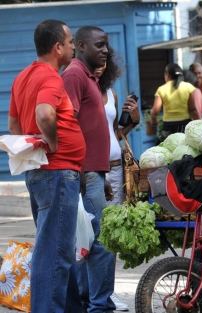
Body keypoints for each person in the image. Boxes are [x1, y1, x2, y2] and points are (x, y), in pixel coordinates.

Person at [8, 19, 86, 312]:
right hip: (56, 172)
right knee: (53, 253)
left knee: (58, 250)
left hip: (42, 172)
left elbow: (14, 124)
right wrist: (51, 144)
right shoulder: (51, 78)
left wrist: (33, 149)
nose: (72, 49)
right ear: (57, 48)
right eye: (69, 43)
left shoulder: (22, 77)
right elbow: (44, 113)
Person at [62, 25, 116, 312]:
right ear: (81, 46)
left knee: (88, 242)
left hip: (95, 173)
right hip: (83, 173)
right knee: (103, 243)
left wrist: (100, 174)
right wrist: (80, 168)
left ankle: (90, 303)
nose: (105, 50)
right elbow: (67, 121)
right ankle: (99, 306)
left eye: (106, 45)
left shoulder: (89, 78)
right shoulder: (73, 74)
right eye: (99, 45)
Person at [93, 46, 140, 312]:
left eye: (105, 61)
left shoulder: (110, 93)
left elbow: (114, 133)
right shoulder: (82, 91)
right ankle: (96, 296)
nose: (100, 65)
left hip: (116, 169)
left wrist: (133, 121)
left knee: (110, 239)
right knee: (94, 237)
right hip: (94, 171)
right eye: (96, 61)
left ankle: (107, 294)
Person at [150, 63, 202, 140]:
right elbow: (193, 109)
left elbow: (156, 110)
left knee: (169, 148)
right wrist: (200, 124)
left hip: (168, 126)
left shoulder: (161, 89)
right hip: (185, 125)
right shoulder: (188, 87)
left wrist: (153, 121)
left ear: (167, 74)